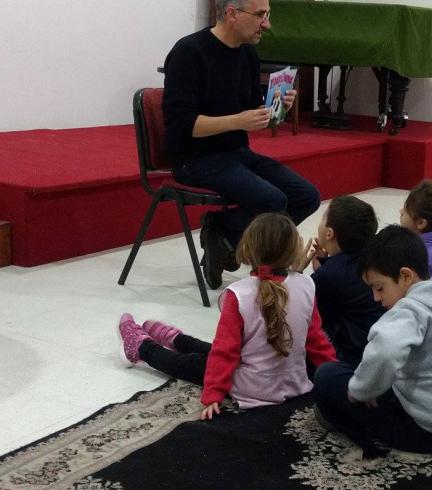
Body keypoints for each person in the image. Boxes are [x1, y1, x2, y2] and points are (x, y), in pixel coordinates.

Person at [163, 0, 321, 289]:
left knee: (307, 196)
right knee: (273, 201)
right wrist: (238, 120)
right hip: (194, 158)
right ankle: (231, 239)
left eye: (267, 15)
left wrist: (276, 108)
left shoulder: (247, 53)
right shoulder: (189, 52)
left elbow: (252, 112)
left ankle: (224, 236)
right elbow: (181, 126)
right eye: (260, 15)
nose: (267, 24)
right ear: (232, 14)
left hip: (235, 152)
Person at [117, 213, 336, 417]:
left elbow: (225, 351)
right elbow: (316, 341)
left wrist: (213, 393)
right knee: (228, 353)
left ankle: (141, 348)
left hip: (253, 388)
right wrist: (337, 376)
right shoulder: (307, 285)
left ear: (247, 248)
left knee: (194, 363)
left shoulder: (238, 294)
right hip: (296, 384)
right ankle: (177, 339)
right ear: (294, 249)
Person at [313, 225, 432, 457]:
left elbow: (385, 352)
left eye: (379, 288)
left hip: (428, 432)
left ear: (405, 276)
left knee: (327, 375)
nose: (376, 297)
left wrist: (361, 391)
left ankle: (340, 416)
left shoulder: (409, 310)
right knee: (370, 370)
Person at [296, 195, 386, 367]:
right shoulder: (373, 259)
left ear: (329, 233)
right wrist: (325, 266)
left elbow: (297, 308)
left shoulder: (329, 274)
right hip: (376, 348)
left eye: (323, 218)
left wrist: (295, 274)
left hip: (350, 358)